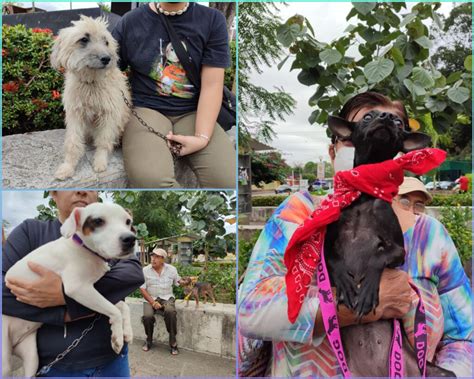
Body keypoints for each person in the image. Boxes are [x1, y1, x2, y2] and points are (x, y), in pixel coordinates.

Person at [238, 92, 472, 377]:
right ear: (333, 150)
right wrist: (367, 305)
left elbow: (464, 337)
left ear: (405, 153)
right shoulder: (299, 215)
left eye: (394, 128)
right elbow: (249, 311)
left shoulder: (430, 236)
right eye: (355, 133)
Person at [2, 191, 144, 377]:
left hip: (112, 361)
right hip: (55, 364)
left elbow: (133, 275)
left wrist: (63, 297)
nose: (82, 190)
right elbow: (76, 288)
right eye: (99, 222)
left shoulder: (107, 249)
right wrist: (66, 310)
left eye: (126, 223)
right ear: (53, 193)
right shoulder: (31, 231)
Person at [112, 2, 236, 188]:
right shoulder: (131, 22)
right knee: (151, 180)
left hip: (195, 112)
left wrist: (201, 138)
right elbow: (107, 68)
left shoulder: (212, 20)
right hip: (146, 110)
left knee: (226, 180)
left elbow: (212, 85)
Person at [140, 248, 182, 354]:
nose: (153, 259)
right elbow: (142, 289)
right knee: (147, 317)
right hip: (151, 298)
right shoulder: (145, 270)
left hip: (167, 297)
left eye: (157, 257)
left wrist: (186, 282)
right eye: (153, 256)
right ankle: (149, 340)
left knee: (170, 312)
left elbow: (178, 281)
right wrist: (153, 302)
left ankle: (173, 342)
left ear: (163, 259)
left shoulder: (171, 269)